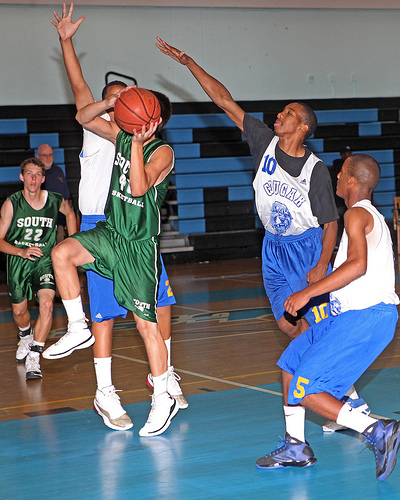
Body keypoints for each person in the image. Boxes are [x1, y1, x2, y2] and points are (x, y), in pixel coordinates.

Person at [155, 38, 373, 427]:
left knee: (320, 327)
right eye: (281, 110)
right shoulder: (263, 141)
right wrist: (189, 63)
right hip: (273, 247)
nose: (279, 115)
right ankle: (328, 389)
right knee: (289, 325)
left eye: (288, 113)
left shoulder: (316, 171)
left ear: (302, 127)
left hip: (307, 248)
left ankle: (349, 398)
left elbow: (331, 223)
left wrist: (321, 263)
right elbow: (224, 101)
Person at [48, 3, 187, 432]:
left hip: (139, 240)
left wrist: (138, 140)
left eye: (128, 99)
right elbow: (80, 103)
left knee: (155, 313)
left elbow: (140, 187)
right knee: (87, 291)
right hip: (104, 225)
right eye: (118, 100)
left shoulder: (156, 147)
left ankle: (163, 385)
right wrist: (67, 42)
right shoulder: (105, 129)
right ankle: (91, 357)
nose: (122, 105)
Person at [255, 154, 400, 481]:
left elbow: (357, 265)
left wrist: (308, 293)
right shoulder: (368, 216)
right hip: (348, 317)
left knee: (305, 389)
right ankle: (296, 447)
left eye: (342, 172)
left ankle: (376, 430)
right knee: (291, 363)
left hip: (367, 317)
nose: (337, 176)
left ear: (352, 180)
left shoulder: (356, 213)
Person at [0, 158, 77, 379]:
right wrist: (20, 251)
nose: (33, 179)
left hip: (44, 261)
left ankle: (34, 355)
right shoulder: (11, 203)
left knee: (47, 305)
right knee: (19, 311)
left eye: (37, 175)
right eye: (29, 174)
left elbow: (70, 214)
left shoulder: (54, 200)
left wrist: (73, 242)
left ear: (43, 178)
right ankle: (25, 335)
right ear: (21, 177)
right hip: (19, 261)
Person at [37, 143, 72, 244]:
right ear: (38, 156)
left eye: (50, 155)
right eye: (45, 155)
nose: (48, 158)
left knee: (60, 245)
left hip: (59, 220)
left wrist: (68, 220)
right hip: (42, 220)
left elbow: (66, 198)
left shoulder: (58, 171)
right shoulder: (35, 174)